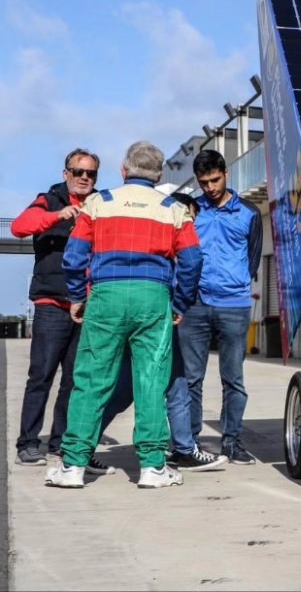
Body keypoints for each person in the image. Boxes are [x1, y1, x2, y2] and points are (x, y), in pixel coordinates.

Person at [44, 141, 202, 489]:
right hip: (153, 297)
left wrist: (76, 296)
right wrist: (180, 304)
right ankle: (152, 466)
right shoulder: (174, 209)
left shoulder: (98, 204)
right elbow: (192, 261)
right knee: (151, 381)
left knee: (90, 380)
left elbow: (74, 256)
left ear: (123, 170)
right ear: (159, 174)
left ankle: (73, 466)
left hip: (105, 295)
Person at [95, 192, 228, 472]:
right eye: (189, 215)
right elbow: (191, 265)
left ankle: (182, 448)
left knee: (173, 383)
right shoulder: (169, 238)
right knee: (128, 389)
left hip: (144, 315)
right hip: (154, 320)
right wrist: (179, 305)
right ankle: (166, 453)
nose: (191, 221)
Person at [11, 148, 114, 474]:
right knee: (40, 376)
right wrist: (58, 215)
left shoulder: (101, 204)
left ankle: (60, 443)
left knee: (74, 380)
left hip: (87, 306)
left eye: (91, 173)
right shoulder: (49, 199)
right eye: (78, 171)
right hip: (52, 304)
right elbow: (19, 227)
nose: (85, 178)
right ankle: (28, 444)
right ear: (66, 172)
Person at [179, 149, 262, 466]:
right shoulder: (190, 211)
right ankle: (190, 443)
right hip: (195, 305)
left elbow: (253, 258)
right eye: (203, 183)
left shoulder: (250, 213)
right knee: (190, 379)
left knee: (233, 379)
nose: (210, 188)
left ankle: (232, 441)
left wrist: (237, 281)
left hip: (234, 306)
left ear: (226, 173)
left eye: (214, 180)